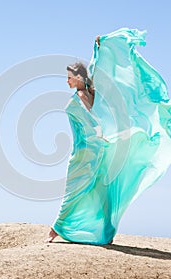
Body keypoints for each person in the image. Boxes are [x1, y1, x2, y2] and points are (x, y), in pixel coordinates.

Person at [45, 28, 171, 245]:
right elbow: (96, 68)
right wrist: (98, 48)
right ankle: (102, 230)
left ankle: (57, 230)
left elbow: (93, 119)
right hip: (88, 149)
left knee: (76, 191)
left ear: (77, 78)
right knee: (97, 191)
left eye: (69, 78)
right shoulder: (89, 91)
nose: (66, 82)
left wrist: (102, 47)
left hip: (89, 151)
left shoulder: (87, 94)